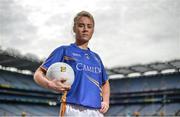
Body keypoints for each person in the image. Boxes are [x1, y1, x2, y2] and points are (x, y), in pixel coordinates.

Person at [34, 11, 110, 117]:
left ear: (92, 30)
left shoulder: (96, 57)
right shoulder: (64, 51)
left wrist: (105, 101)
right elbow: (38, 73)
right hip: (72, 108)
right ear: (74, 28)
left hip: (96, 111)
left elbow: (105, 82)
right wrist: (49, 84)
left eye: (89, 26)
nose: (85, 29)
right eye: (81, 25)